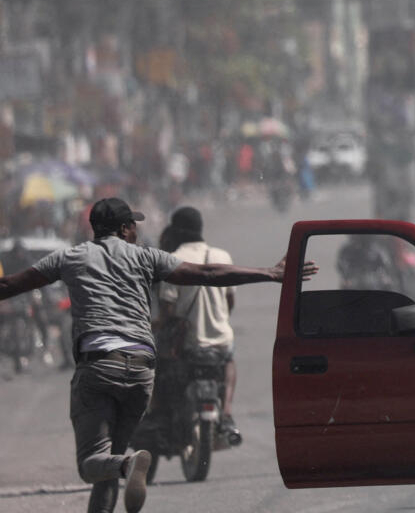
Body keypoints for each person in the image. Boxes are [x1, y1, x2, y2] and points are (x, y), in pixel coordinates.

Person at [0, 197, 315, 513]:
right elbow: (206, 273)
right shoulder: (145, 257)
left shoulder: (70, 257)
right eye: (133, 225)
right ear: (124, 229)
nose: (136, 230)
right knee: (110, 463)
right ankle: (125, 463)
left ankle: (127, 464)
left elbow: (11, 284)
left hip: (99, 367)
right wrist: (269, 273)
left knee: (91, 463)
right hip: (141, 369)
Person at [153, 206, 240, 440]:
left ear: (175, 230)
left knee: (158, 368)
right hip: (220, 340)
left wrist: (157, 324)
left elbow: (167, 309)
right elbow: (229, 301)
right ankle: (228, 412)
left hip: (187, 344)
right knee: (229, 360)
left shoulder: (172, 260)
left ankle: (159, 414)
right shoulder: (222, 257)